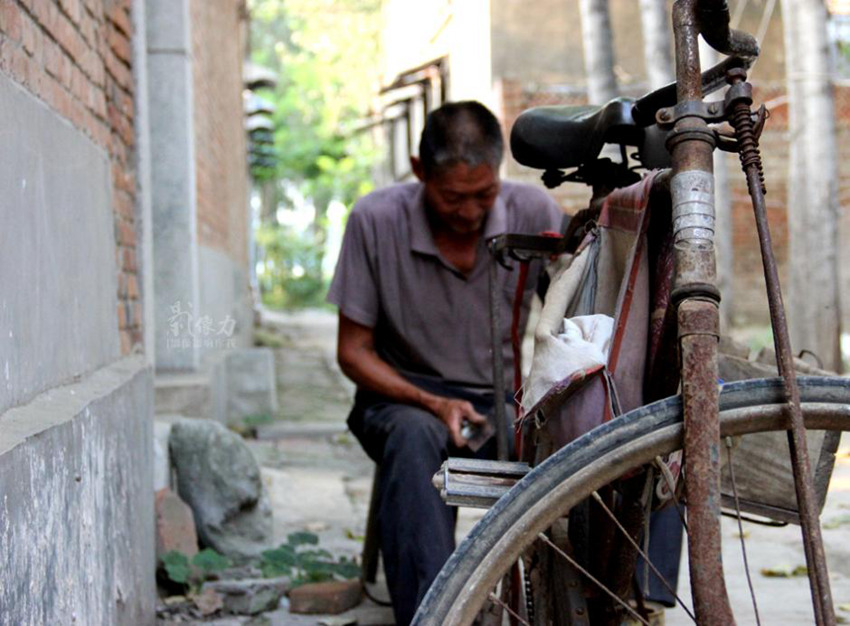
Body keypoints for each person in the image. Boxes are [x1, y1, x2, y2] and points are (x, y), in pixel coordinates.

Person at [327, 100, 562, 625]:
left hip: (497, 398)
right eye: (454, 197)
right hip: (398, 397)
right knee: (415, 440)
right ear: (418, 172)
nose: (471, 212)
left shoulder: (533, 213)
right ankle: (434, 616)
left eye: (485, 194)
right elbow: (352, 351)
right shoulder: (375, 219)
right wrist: (432, 402)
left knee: (581, 439)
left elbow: (571, 315)